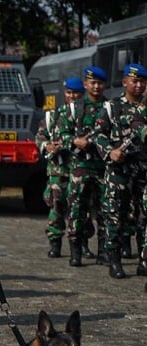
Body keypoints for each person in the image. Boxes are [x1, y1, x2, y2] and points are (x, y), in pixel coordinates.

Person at [94, 63, 147, 278]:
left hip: (143, 169)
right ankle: (114, 260)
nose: (138, 85)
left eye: (142, 81)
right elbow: (98, 134)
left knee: (144, 218)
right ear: (125, 82)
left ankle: (144, 260)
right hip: (119, 171)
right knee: (116, 216)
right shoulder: (112, 107)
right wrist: (110, 151)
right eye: (134, 81)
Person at [57, 66, 109, 267]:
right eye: (92, 83)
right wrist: (74, 141)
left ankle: (105, 251)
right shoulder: (75, 108)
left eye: (100, 83)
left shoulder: (110, 107)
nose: (96, 86)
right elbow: (62, 132)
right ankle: (76, 251)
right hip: (81, 166)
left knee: (105, 210)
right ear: (86, 84)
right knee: (77, 209)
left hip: (104, 167)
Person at [36, 77, 84, 258]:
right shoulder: (54, 115)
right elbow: (40, 136)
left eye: (77, 93)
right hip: (58, 171)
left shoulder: (86, 115)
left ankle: (81, 244)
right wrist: (47, 146)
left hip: (80, 170)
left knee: (80, 211)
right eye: (69, 93)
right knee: (56, 207)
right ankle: (55, 243)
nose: (73, 96)